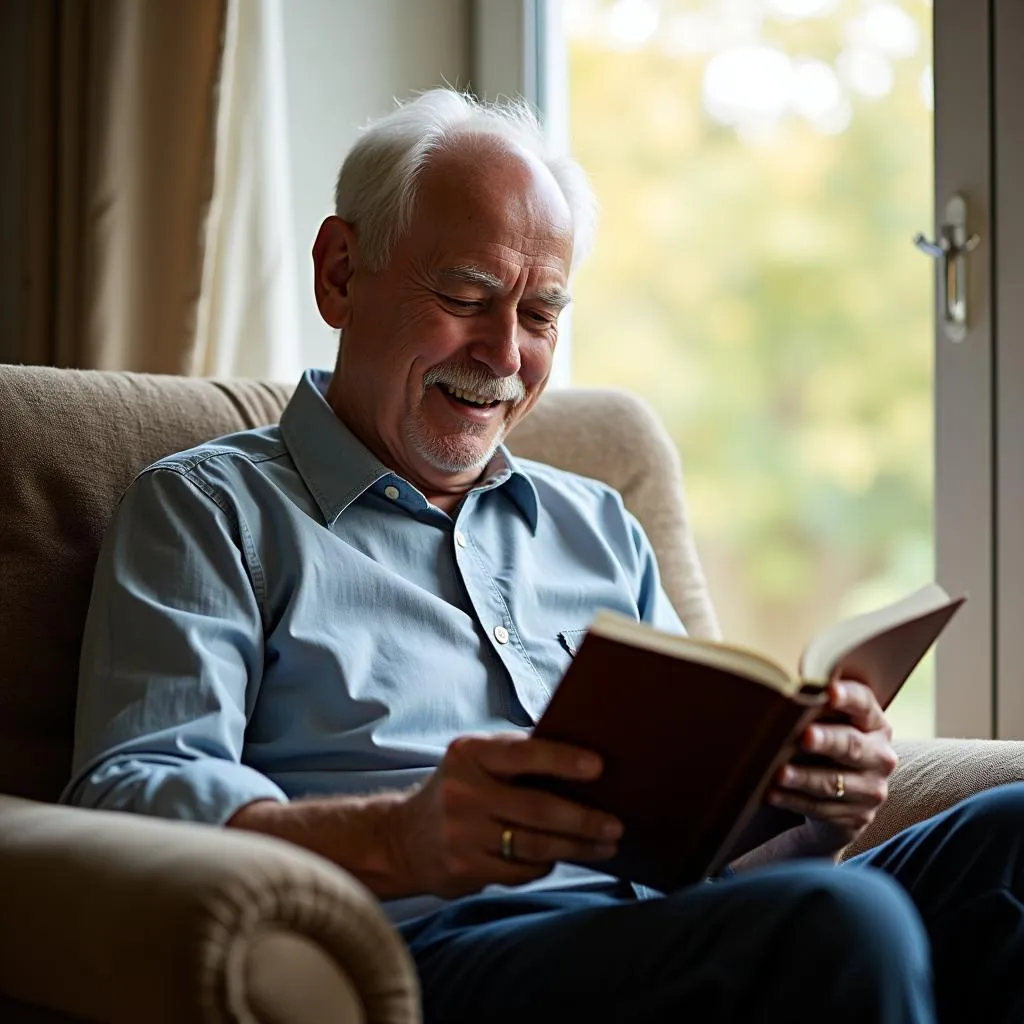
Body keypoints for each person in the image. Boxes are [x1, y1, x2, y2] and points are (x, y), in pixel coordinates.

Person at [63, 88, 1023, 1023]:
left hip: (656, 936)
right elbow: (128, 794)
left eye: (540, 315)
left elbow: (704, 865)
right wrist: (402, 837)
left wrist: (814, 812)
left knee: (1008, 834)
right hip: (430, 953)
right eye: (469, 295)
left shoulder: (598, 525)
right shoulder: (210, 509)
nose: (504, 355)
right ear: (340, 273)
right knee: (836, 924)